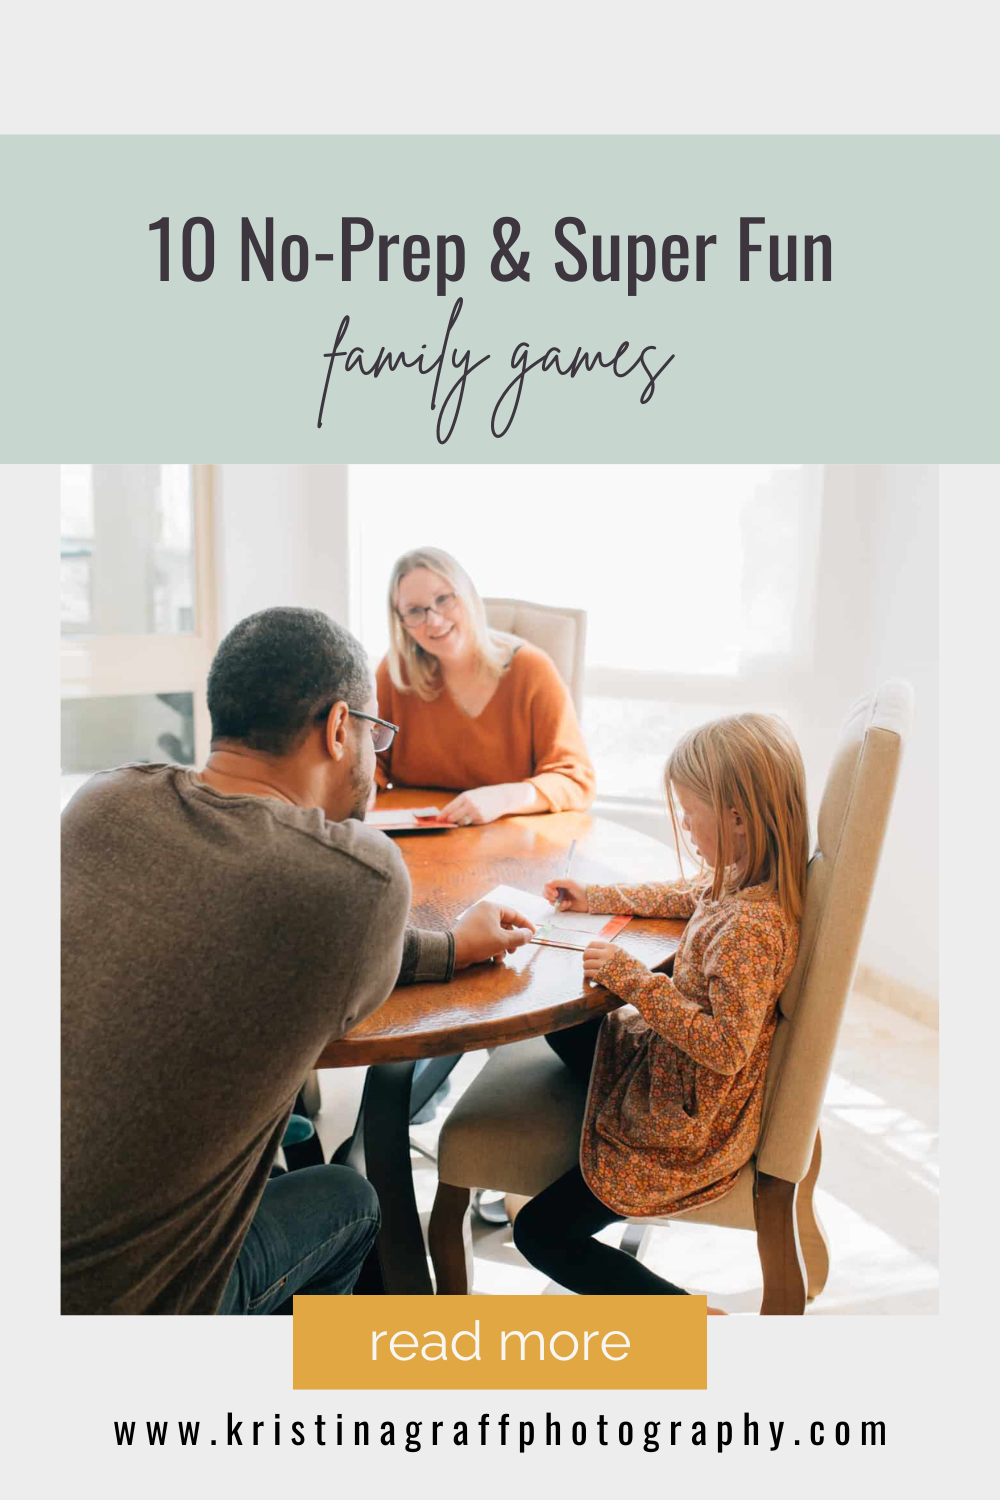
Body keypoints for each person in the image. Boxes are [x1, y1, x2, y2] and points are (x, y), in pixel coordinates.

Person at [62, 607, 534, 1315]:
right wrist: (450, 948)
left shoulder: (100, 805)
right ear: (340, 727)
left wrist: (448, 948)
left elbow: (251, 915)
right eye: (375, 736)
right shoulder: (361, 877)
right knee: (349, 1199)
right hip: (144, 1307)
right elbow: (324, 913)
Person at [512, 714, 809, 1307]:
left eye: (688, 811)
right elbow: (681, 894)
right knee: (567, 1025)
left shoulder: (752, 928)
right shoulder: (741, 880)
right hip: (674, 1071)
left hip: (686, 1125)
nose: (682, 824)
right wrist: (594, 897)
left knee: (540, 1233)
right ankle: (602, 1100)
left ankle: (693, 1329)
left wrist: (637, 983)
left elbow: (726, 1051)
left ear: (738, 819)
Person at [374, 547, 595, 824]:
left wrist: (505, 798)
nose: (434, 620)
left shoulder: (532, 670)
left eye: (443, 599)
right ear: (400, 622)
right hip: (417, 841)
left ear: (467, 596)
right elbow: (368, 761)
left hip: (510, 843)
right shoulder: (396, 674)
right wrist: (361, 791)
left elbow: (575, 780)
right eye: (414, 611)